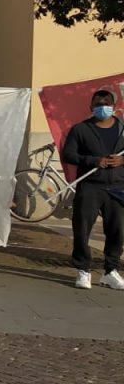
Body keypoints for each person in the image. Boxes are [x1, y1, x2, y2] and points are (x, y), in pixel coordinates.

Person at [60, 89, 124, 290]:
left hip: (118, 186)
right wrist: (93, 161)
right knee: (82, 228)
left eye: (106, 103)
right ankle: (83, 270)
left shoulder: (123, 129)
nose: (102, 107)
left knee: (117, 231)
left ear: (114, 107)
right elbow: (69, 154)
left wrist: (122, 160)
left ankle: (111, 271)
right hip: (90, 186)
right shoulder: (80, 129)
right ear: (91, 107)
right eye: (98, 104)